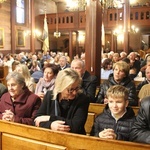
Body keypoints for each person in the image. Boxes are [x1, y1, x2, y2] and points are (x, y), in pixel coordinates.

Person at [34, 68, 90, 135]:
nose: (75, 93)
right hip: (51, 137)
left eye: (76, 88)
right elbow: (36, 120)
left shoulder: (82, 99)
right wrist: (51, 125)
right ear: (60, 87)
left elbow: (76, 126)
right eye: (70, 90)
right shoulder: (50, 95)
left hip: (74, 139)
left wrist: (50, 118)